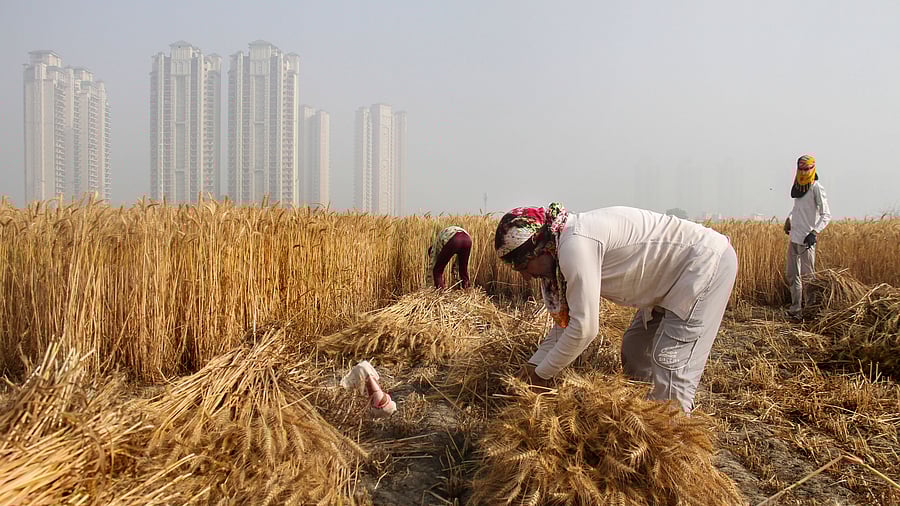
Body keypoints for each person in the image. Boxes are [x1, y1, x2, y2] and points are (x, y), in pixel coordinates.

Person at [494, 203, 737, 413]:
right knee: (635, 348)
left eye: (524, 265)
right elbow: (565, 325)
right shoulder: (560, 249)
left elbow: (585, 329)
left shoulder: (575, 246)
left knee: (670, 364)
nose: (525, 276)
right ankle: (643, 418)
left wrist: (541, 375)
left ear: (540, 248)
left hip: (702, 265)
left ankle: (673, 442)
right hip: (667, 281)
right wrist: (534, 366)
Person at [783, 155, 831, 321]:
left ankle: (810, 310)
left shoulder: (817, 188)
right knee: (792, 274)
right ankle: (795, 309)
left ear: (813, 169)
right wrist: (788, 220)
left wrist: (814, 232)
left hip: (806, 240)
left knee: (808, 277)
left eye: (807, 169)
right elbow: (797, 209)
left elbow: (826, 215)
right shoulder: (798, 187)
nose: (803, 172)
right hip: (794, 237)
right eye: (801, 169)